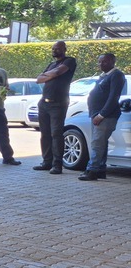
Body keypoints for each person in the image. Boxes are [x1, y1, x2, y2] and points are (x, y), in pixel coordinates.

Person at [79, 53, 126, 181]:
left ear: (112, 62)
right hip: (96, 114)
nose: (100, 64)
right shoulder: (104, 76)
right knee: (101, 144)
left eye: (104, 62)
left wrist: (101, 115)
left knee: (97, 144)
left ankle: (92, 171)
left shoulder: (117, 75)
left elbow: (113, 97)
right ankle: (100, 169)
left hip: (105, 116)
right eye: (99, 62)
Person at [33, 41, 77, 174]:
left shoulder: (69, 61)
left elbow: (58, 72)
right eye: (53, 48)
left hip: (58, 103)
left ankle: (57, 165)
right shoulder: (51, 64)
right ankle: (47, 162)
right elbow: (38, 79)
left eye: (57, 48)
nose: (54, 50)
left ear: (64, 49)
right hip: (44, 103)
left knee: (56, 134)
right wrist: (50, 74)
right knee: (44, 134)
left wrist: (49, 75)